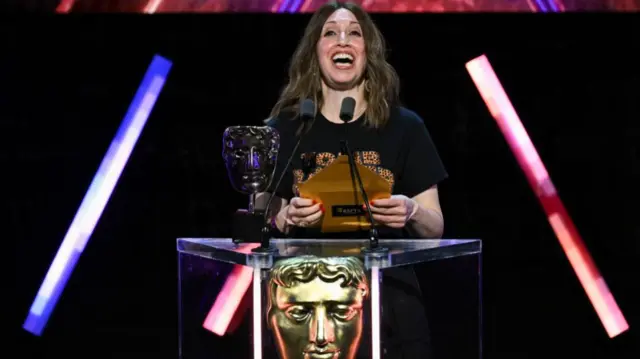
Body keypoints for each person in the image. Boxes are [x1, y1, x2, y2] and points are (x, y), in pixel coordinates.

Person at [262, 2, 448, 358]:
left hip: (390, 306)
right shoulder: (284, 129)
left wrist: (410, 212)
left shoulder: (405, 128)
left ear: (368, 51)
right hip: (308, 311)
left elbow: (435, 225)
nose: (342, 41)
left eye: (354, 34)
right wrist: (283, 217)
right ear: (314, 51)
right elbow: (260, 214)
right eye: (330, 33)